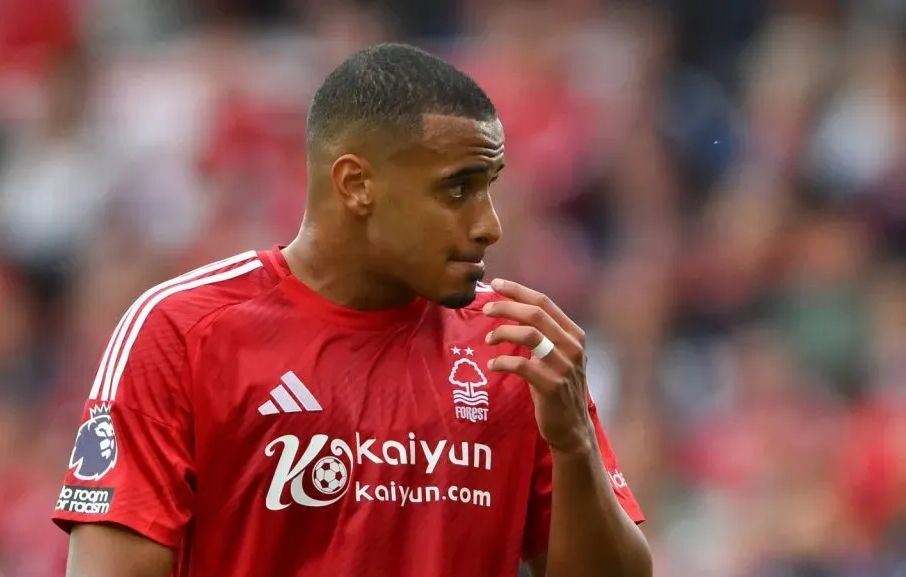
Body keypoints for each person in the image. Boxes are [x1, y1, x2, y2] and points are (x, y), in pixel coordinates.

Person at [52, 43, 652, 577]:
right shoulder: (183, 330)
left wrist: (574, 444)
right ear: (356, 184)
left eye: (490, 186)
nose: (490, 225)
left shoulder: (511, 345)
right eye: (458, 189)